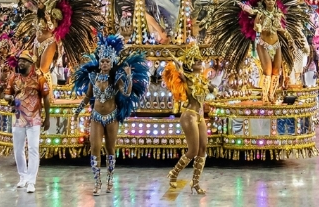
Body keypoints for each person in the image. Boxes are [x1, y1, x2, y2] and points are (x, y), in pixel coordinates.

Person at [73, 35, 149, 195]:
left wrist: (128, 76)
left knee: (110, 149)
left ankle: (109, 179)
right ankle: (97, 182)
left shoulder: (117, 78)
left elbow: (126, 94)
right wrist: (78, 110)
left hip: (111, 117)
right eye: (102, 61)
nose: (105, 63)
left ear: (112, 62)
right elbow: (87, 96)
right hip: (96, 117)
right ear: (99, 62)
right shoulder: (93, 77)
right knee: (94, 148)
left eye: (108, 61)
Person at [162, 43, 214, 194]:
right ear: (189, 64)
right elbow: (179, 71)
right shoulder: (187, 78)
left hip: (200, 117)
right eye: (195, 60)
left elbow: (213, 90)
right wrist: (179, 66)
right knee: (193, 150)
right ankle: (174, 173)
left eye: (200, 60)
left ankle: (195, 183)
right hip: (189, 115)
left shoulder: (203, 80)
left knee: (203, 149)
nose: (199, 62)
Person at [7, 50, 49, 194]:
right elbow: (7, 95)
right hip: (18, 118)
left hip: (34, 118)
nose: (20, 63)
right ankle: (22, 176)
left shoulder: (40, 79)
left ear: (31, 64)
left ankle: (31, 181)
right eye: (19, 61)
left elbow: (46, 98)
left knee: (33, 149)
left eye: (24, 61)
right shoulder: (14, 78)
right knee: (18, 149)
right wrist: (9, 99)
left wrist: (47, 117)